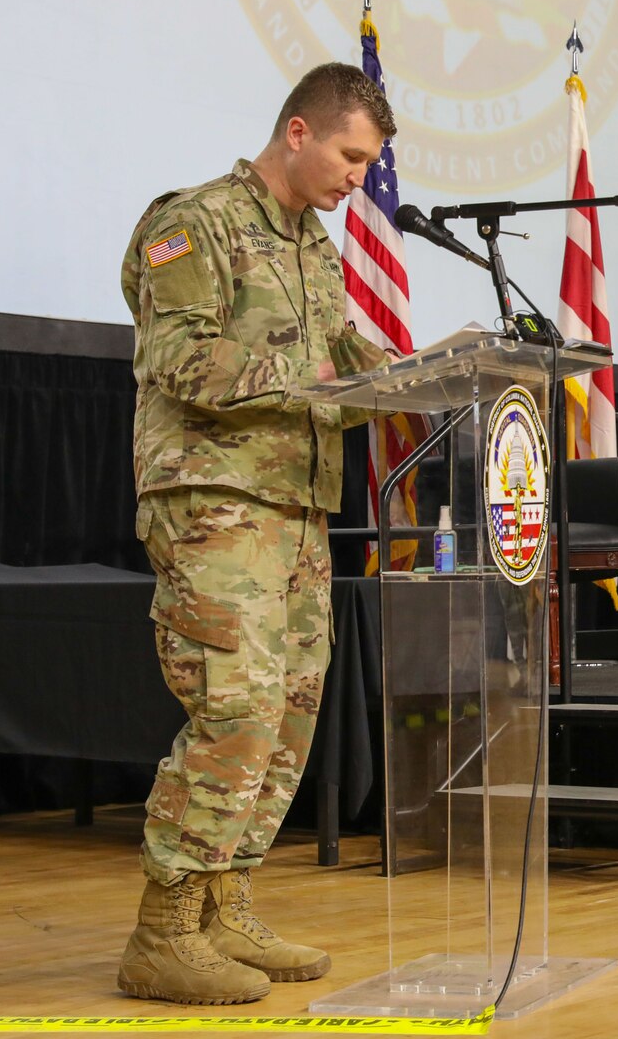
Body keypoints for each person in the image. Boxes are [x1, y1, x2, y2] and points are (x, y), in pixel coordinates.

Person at [117, 63, 397, 1004]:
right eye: (351, 155)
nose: (359, 177)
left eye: (370, 163)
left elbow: (341, 356)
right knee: (233, 709)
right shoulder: (193, 221)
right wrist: (319, 368)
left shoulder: (314, 247)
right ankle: (161, 930)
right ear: (297, 133)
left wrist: (410, 374)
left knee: (287, 720)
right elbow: (177, 356)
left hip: (298, 506)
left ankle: (221, 907)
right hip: (215, 500)